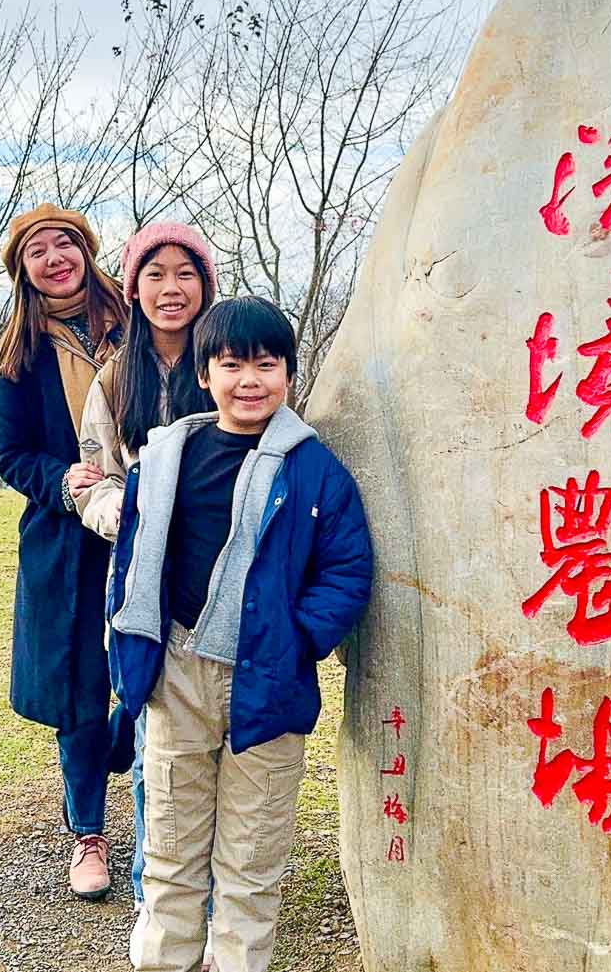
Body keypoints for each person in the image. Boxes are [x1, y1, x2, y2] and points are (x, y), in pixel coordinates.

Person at [107, 296, 374, 972]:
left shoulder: (314, 468)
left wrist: (297, 639)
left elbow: (347, 566)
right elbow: (132, 558)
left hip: (269, 684)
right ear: (204, 374)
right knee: (170, 848)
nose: (249, 379)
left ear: (289, 373)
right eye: (232, 363)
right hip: (177, 670)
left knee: (251, 859)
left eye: (266, 363)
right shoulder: (167, 457)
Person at [74, 223, 219, 918]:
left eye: (184, 273)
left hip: (223, 579)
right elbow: (89, 479)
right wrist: (131, 511)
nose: (170, 288)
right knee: (150, 730)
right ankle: (155, 896)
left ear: (205, 285)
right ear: (133, 288)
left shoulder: (226, 362)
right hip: (138, 583)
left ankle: (216, 892)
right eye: (155, 274)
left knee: (215, 734)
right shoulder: (113, 378)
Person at [0, 204, 129, 901]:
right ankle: (89, 834)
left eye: (64, 243)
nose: (54, 256)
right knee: (78, 685)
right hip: (67, 535)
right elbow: (10, 454)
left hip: (149, 520)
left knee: (148, 669)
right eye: (37, 251)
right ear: (25, 270)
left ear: (85, 250)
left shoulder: (134, 317)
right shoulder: (20, 349)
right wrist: (60, 478)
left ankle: (132, 762)